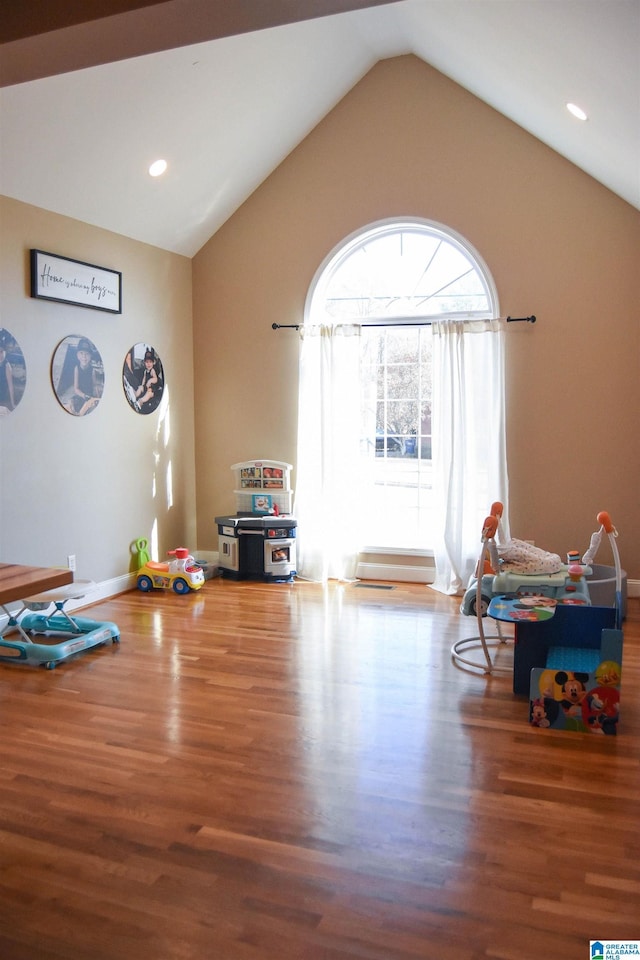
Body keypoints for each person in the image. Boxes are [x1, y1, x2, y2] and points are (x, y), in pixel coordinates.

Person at [65, 338, 101, 415]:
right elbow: (76, 388)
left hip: (89, 397)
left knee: (87, 408)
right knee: (70, 405)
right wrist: (83, 395)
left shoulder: (92, 370)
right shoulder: (77, 369)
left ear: (91, 356)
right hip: (80, 396)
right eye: (81, 353)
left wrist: (97, 397)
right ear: (77, 355)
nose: (84, 357)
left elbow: (95, 386)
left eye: (87, 354)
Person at [0, 338, 15, 414]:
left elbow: (10, 385)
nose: (0, 355)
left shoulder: (7, 365)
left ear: (5, 352)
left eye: (2, 352)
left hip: (1, 395)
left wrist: (12, 403)